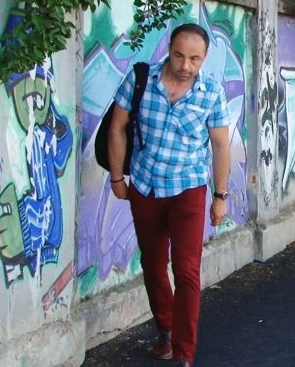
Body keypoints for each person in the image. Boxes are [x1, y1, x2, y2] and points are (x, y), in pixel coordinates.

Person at [108, 23, 231, 367]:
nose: (185, 65)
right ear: (169, 50)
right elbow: (117, 126)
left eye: (194, 59)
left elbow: (221, 146)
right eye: (179, 56)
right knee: (152, 263)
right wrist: (117, 177)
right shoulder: (141, 79)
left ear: (204, 58)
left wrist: (220, 195)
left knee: (187, 269)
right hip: (145, 187)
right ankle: (165, 329)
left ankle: (183, 353)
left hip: (188, 189)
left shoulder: (211, 92)